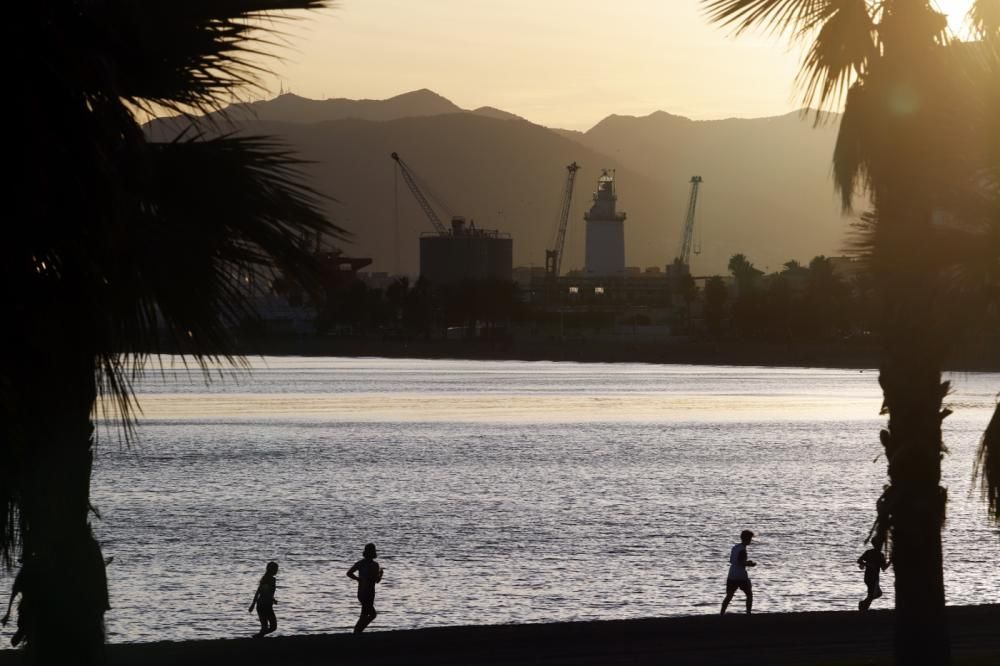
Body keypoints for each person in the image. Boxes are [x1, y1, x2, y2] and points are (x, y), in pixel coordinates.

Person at [347, 543, 383, 633]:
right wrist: (380, 574)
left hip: (364, 592)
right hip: (367, 592)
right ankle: (357, 631)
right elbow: (377, 580)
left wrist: (358, 579)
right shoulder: (374, 565)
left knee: (366, 614)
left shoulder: (362, 563)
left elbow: (349, 573)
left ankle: (358, 631)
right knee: (371, 614)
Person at [721, 529, 756, 615]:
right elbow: (741, 562)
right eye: (750, 539)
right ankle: (748, 613)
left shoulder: (735, 547)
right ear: (747, 539)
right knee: (749, 594)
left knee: (729, 595)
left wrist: (745, 562)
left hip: (731, 573)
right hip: (740, 575)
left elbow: (732, 560)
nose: (751, 541)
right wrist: (750, 564)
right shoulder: (742, 550)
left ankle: (721, 613)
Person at [1, 559, 30, 648]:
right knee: (24, 628)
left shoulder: (23, 575)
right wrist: (7, 614)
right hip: (25, 608)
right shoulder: (23, 576)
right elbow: (13, 593)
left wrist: (8, 614)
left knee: (24, 628)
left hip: (25, 607)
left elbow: (13, 594)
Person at [857, 538, 890, 611]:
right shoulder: (877, 554)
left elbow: (859, 561)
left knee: (877, 594)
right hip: (873, 577)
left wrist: (864, 564)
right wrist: (866, 564)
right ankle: (863, 606)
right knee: (873, 594)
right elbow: (884, 568)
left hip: (869, 577)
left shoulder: (871, 553)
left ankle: (863, 605)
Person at [248, 561, 279, 637]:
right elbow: (261, 592)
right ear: (272, 570)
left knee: (267, 627)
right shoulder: (270, 580)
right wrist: (252, 604)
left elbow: (263, 592)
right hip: (264, 605)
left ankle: (258, 637)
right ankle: (257, 637)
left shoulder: (265, 579)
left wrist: (273, 599)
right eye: (276, 569)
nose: (277, 571)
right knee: (272, 627)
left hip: (262, 605)